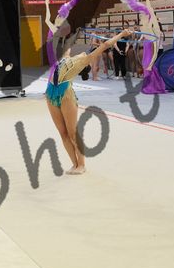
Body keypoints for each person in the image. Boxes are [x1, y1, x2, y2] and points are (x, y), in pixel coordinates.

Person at [44, 27, 133, 175]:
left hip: (65, 95)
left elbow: (106, 45)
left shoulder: (82, 60)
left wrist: (122, 34)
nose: (83, 52)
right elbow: (66, 45)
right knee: (63, 133)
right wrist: (71, 33)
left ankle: (82, 164)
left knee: (72, 133)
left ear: (85, 65)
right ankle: (74, 164)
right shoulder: (65, 58)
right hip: (51, 93)